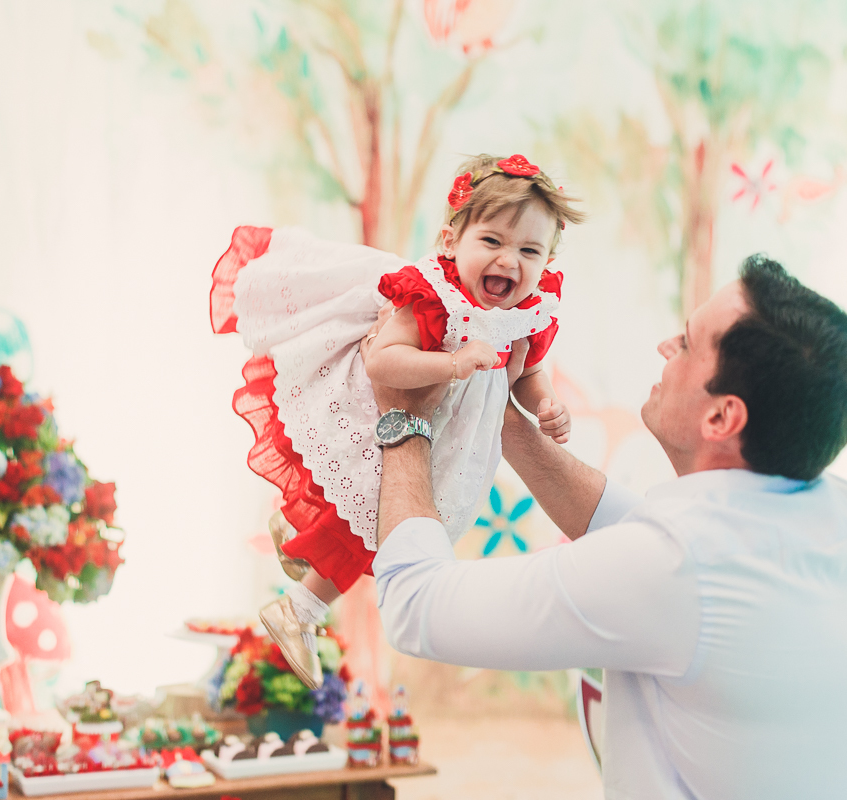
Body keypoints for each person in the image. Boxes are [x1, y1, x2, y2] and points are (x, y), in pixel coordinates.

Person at [366, 256, 847, 799]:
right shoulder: (846, 512)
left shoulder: (676, 567)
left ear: (721, 417)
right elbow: (634, 531)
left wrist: (405, 415)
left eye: (687, 343)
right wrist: (494, 413)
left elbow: (416, 603)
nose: (666, 347)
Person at [209, 154, 585, 689]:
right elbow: (383, 361)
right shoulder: (432, 297)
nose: (509, 260)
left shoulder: (527, 314)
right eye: (492, 241)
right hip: (380, 408)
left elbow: (527, 372)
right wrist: (453, 364)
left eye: (529, 250)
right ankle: (298, 609)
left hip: (443, 436)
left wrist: (545, 404)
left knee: (380, 522)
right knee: (370, 521)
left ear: (547, 261)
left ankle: (296, 538)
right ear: (451, 241)